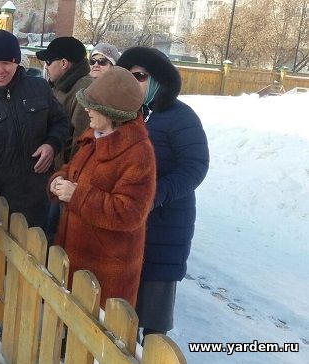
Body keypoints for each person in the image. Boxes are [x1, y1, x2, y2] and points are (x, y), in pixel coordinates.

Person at [116, 47, 209, 339]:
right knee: (124, 310)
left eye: (140, 76)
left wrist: (154, 194)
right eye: (129, 77)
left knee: (154, 317)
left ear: (158, 79)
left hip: (166, 226)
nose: (134, 83)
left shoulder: (181, 117)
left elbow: (195, 167)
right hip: (130, 224)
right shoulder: (131, 116)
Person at [48, 67, 156, 308]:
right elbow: (75, 169)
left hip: (105, 271)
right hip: (73, 256)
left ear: (112, 112)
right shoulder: (96, 132)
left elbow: (130, 212)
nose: (86, 109)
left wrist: (77, 195)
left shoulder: (138, 153)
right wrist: (59, 179)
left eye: (92, 105)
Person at [0, 29, 70, 231]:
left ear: (16, 61)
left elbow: (61, 122)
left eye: (6, 63)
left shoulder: (40, 88)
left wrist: (52, 144)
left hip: (39, 197)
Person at [36, 36, 93, 243]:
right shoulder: (61, 86)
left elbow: (82, 142)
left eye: (48, 62)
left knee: (56, 237)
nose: (46, 67)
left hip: (67, 183)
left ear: (63, 63)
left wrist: (67, 178)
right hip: (56, 176)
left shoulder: (83, 90)